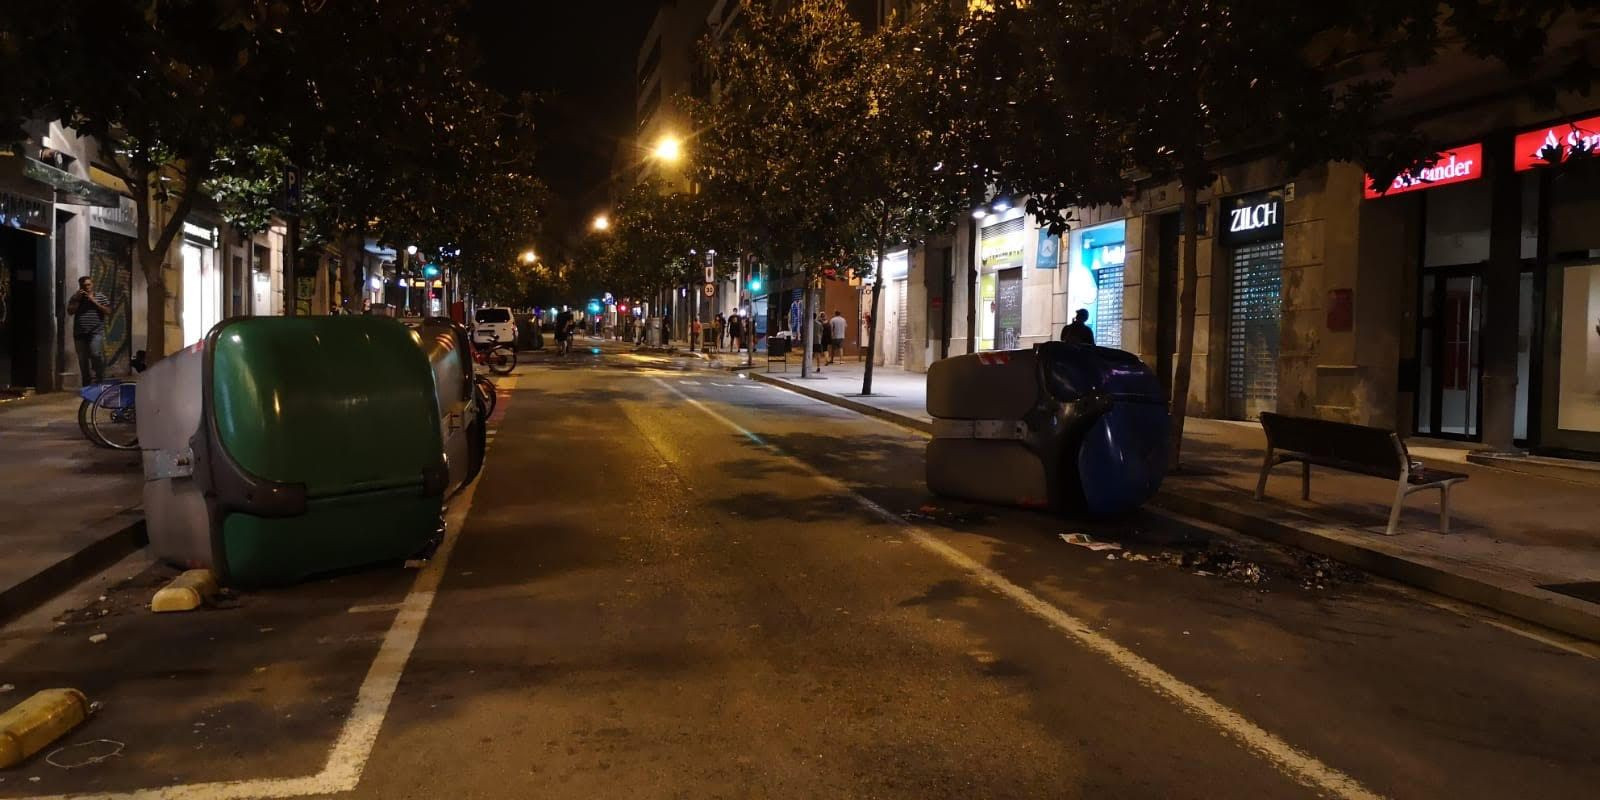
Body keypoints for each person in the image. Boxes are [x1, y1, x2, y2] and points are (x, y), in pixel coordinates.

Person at [67, 276, 111, 385]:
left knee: (95, 354)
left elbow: (108, 311)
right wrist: (77, 300)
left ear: (92, 284)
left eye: (88, 284)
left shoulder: (101, 297)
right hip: (79, 333)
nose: (87, 287)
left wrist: (93, 301)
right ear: (80, 286)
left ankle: (100, 378)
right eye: (83, 285)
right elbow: (70, 311)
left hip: (95, 332)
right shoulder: (76, 298)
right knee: (82, 360)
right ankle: (86, 384)